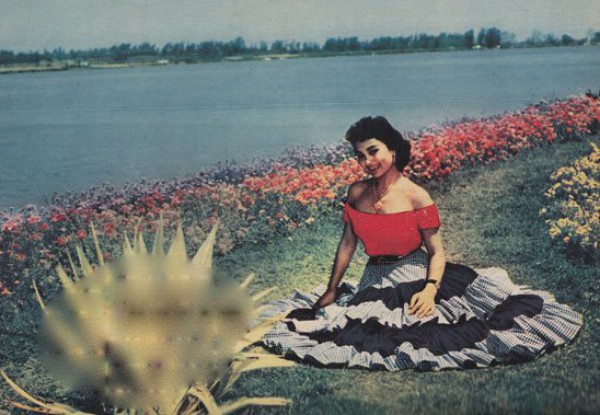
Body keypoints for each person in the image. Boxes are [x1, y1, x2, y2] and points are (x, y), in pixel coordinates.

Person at [262, 116, 582, 371]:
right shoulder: (356, 193)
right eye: (360, 155)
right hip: (372, 278)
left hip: (415, 274)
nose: (367, 161)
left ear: (393, 150)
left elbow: (437, 252)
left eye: (373, 151)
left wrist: (429, 290)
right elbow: (347, 244)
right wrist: (332, 289)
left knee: (417, 332)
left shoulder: (417, 196)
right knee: (353, 327)